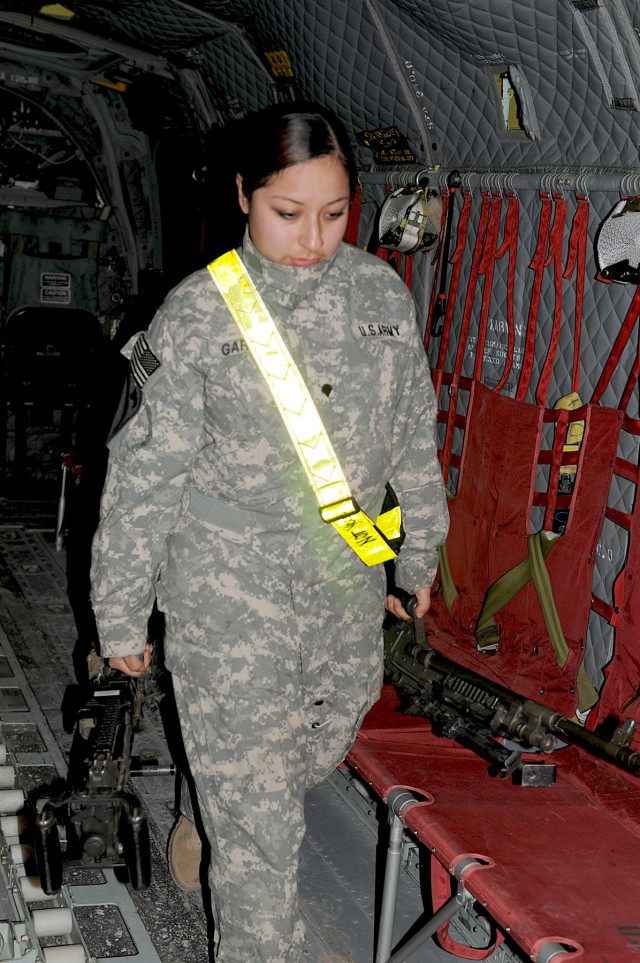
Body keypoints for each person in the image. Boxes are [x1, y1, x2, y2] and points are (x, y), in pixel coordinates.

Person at [90, 101, 449, 963]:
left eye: (334, 213)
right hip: (227, 586)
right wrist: (120, 612)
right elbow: (143, 476)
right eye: (289, 214)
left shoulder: (382, 295)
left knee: (312, 749)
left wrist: (419, 554)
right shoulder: (198, 316)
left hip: (341, 583)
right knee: (259, 826)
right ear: (245, 195)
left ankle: (202, 801)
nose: (313, 237)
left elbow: (413, 433)